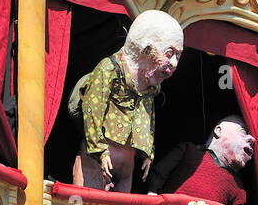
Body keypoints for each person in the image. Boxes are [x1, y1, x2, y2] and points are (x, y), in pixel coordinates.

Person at [72, 10, 183, 193]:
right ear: (147, 49)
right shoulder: (109, 70)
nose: (174, 63)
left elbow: (147, 118)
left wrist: (148, 151)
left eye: (178, 56)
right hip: (97, 162)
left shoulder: (151, 88)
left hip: (126, 169)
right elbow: (93, 110)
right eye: (169, 53)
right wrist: (100, 151)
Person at [146, 115, 252, 205]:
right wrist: (152, 194)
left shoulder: (238, 187)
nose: (252, 139)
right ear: (218, 131)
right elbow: (158, 173)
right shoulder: (188, 151)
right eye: (243, 132)